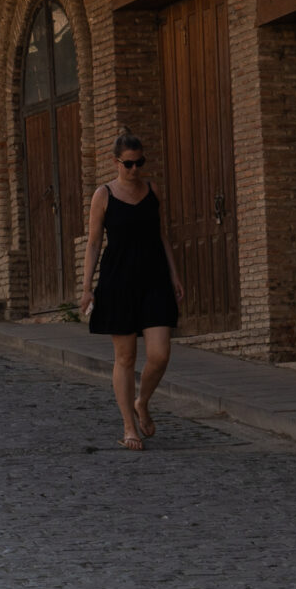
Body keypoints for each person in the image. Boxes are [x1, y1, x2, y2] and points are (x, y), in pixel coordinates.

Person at [79, 132, 181, 450]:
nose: (135, 170)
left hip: (154, 279)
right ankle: (128, 427)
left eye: (140, 163)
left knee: (160, 354)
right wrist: (86, 288)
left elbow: (162, 236)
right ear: (116, 162)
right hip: (118, 281)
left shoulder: (152, 191)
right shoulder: (104, 195)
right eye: (129, 164)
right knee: (125, 357)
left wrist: (175, 275)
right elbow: (94, 243)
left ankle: (143, 401)